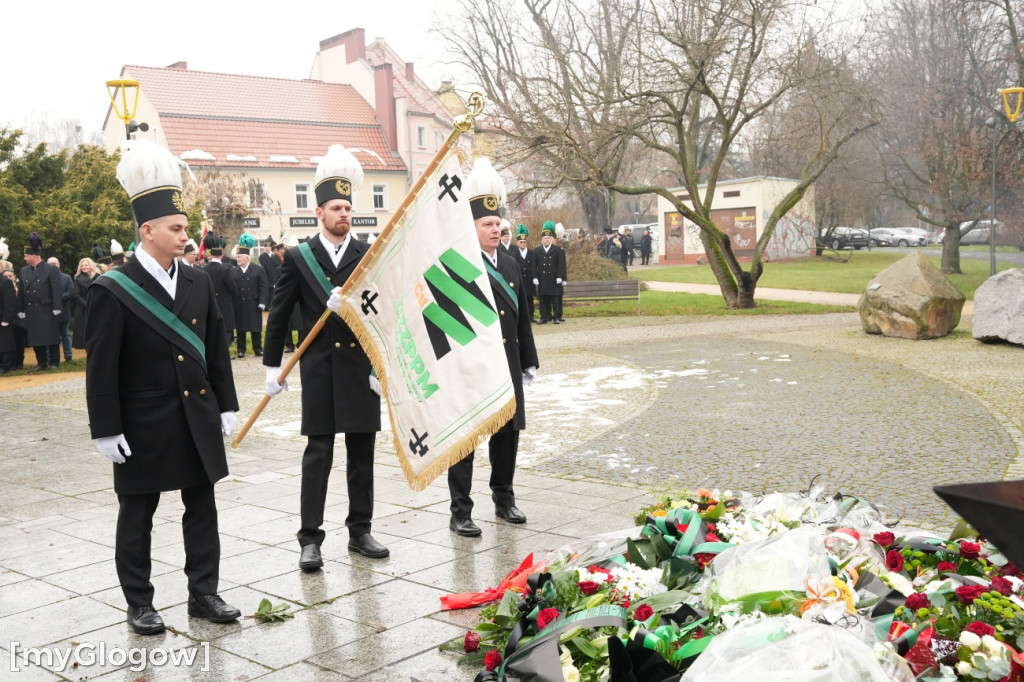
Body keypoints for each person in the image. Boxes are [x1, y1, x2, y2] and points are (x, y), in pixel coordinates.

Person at [87, 138, 241, 635]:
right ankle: (140, 602)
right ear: (147, 230)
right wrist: (105, 429)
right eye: (176, 229)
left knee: (202, 505)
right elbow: (101, 368)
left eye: (185, 228)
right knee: (138, 513)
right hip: (142, 419)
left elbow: (215, 347)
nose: (187, 237)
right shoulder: (112, 288)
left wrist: (226, 404)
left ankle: (204, 593)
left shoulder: (198, 281)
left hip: (195, 413)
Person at [262, 144, 388, 568]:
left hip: (359, 369)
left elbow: (383, 313)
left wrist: (382, 366)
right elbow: (278, 315)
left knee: (362, 453)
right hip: (318, 370)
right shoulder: (299, 258)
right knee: (318, 454)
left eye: (348, 207)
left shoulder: (367, 252)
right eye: (336, 208)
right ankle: (310, 539)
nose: (344, 215)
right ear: (319, 213)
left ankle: (361, 531)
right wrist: (270, 368)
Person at [448, 157, 539, 537]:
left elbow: (521, 317)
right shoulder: (458, 264)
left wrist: (529, 361)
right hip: (471, 365)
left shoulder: (511, 263)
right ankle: (460, 511)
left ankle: (504, 498)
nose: (494, 231)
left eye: (497, 225)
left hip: (506, 361)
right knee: (466, 438)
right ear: (471, 227)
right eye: (487, 225)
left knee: (507, 435)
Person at [18, 233, 63, 370]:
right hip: (31, 309)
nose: (24, 258)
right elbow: (21, 291)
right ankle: (41, 362)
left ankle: (54, 362)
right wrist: (20, 309)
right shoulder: (24, 270)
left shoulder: (51, 269)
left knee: (51, 337)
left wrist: (57, 307)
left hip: (47, 308)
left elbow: (56, 289)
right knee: (36, 337)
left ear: (33, 256)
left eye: (26, 255)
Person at [231, 238, 269, 358]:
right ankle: (241, 349)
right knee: (240, 327)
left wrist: (263, 301)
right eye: (237, 257)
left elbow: (264, 286)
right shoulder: (233, 271)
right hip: (239, 302)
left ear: (247, 257)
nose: (238, 259)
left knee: (255, 327)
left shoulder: (258, 269)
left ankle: (258, 348)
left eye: (240, 256)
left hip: (253, 302)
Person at [202, 234, 237, 352]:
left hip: (210, 302)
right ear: (221, 255)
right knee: (226, 328)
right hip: (224, 303)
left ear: (210, 255)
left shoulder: (204, 270)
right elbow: (232, 287)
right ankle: (224, 352)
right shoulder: (226, 269)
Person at [532, 221, 567, 324]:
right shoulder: (537, 250)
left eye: (548, 238)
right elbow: (534, 265)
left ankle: (556, 316)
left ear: (551, 239)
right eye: (545, 238)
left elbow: (561, 264)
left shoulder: (557, 250)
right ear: (542, 240)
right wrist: (534, 277)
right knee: (543, 298)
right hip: (542, 278)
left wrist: (560, 276)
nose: (546, 240)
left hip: (554, 277)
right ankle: (544, 317)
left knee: (555, 298)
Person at [47, 257, 74, 362]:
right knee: (50, 336)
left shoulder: (66, 277)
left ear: (59, 264)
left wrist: (57, 298)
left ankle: (68, 357)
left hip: (63, 312)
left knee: (65, 334)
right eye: (51, 264)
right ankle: (50, 358)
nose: (53, 265)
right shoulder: (44, 278)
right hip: (48, 312)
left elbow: (71, 292)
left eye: (55, 263)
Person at [72, 257, 99, 352]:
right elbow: (76, 294)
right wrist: (87, 305)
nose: (84, 267)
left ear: (90, 265)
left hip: (97, 308)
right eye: (82, 265)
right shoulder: (77, 278)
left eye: (86, 265)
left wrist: (95, 304)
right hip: (83, 310)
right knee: (85, 336)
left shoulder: (99, 276)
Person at [512, 224, 537, 322]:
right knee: (520, 299)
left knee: (530, 299)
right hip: (519, 279)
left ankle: (531, 315)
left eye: (524, 242)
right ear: (517, 242)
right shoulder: (514, 253)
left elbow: (534, 266)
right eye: (521, 242)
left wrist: (535, 277)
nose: (523, 244)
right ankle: (522, 317)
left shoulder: (531, 253)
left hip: (529, 279)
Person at [0, 261, 17, 374]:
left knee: (4, 344)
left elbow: (10, 302)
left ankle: (5, 366)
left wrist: (6, 319)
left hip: (3, 318)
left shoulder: (5, 282)